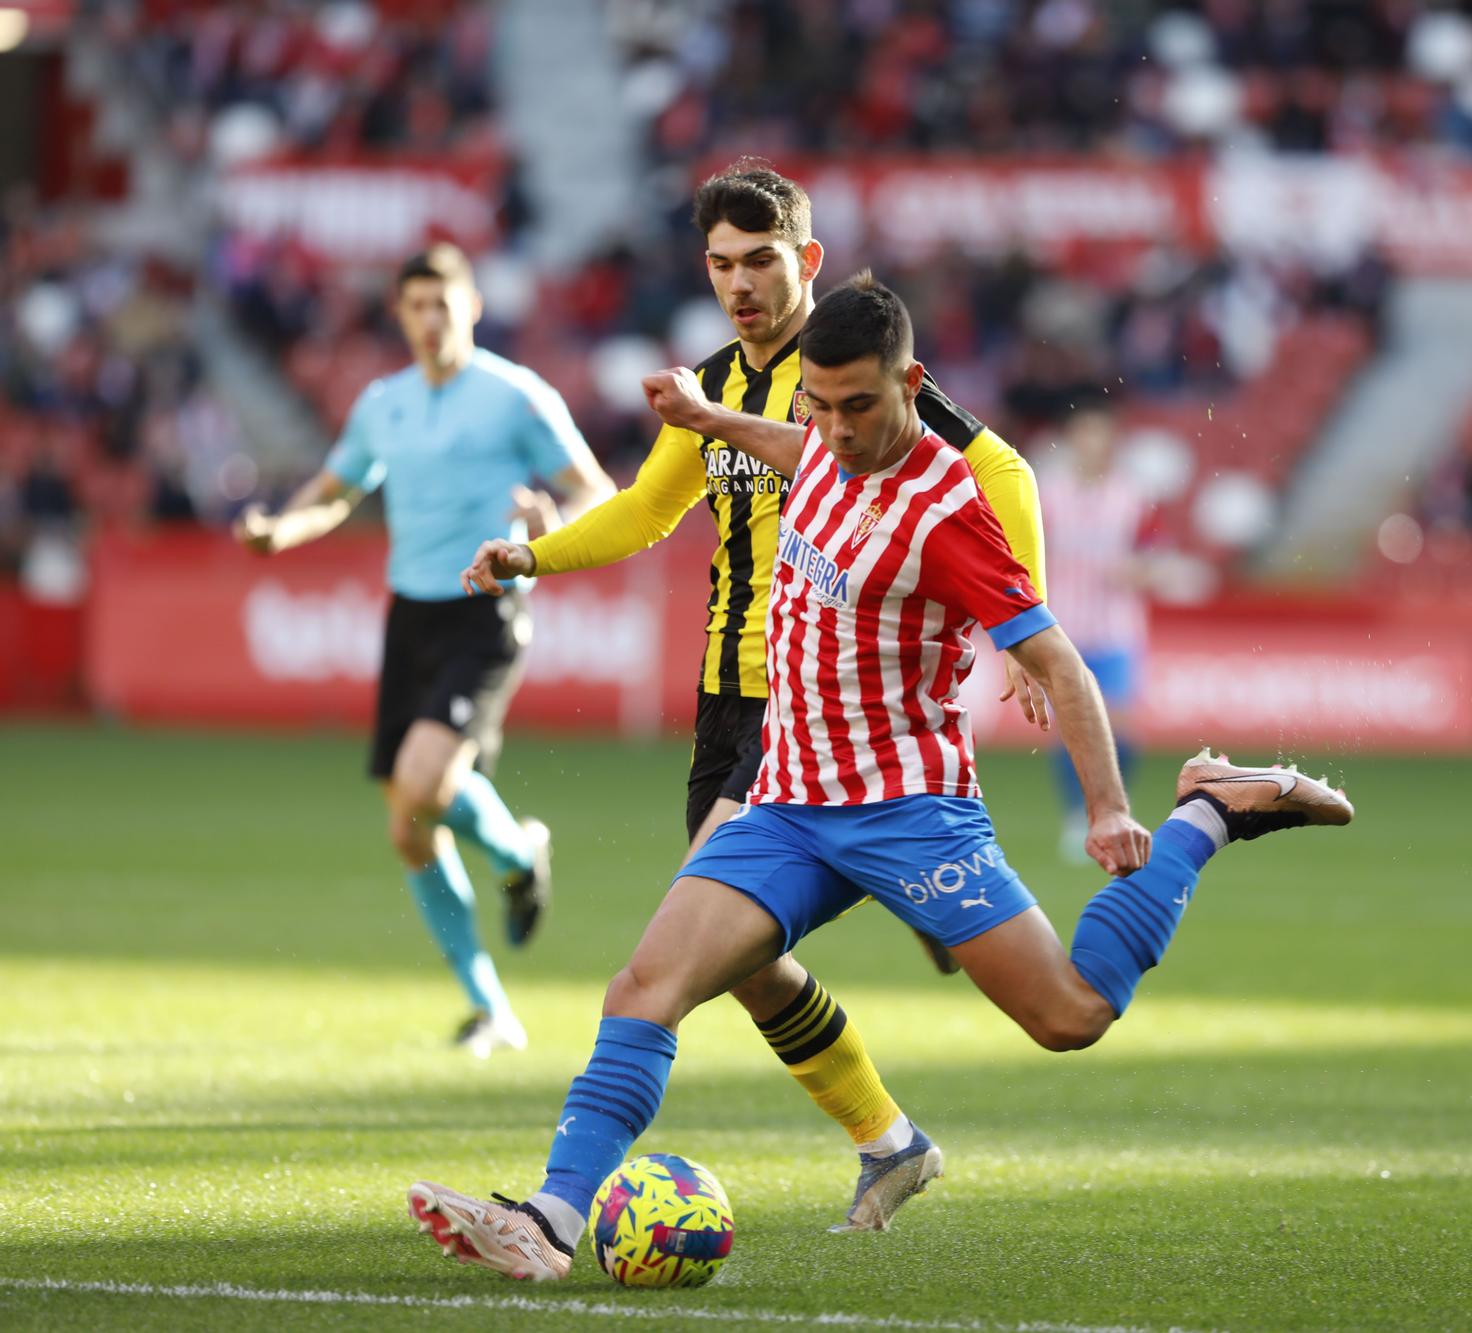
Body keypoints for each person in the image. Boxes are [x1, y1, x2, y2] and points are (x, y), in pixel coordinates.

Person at [409, 276, 1352, 1281]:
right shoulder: (820, 435)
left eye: (861, 406)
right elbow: (796, 450)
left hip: (910, 811)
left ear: (910, 382)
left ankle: (1206, 811)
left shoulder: (947, 512)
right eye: (821, 404)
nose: (839, 430)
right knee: (645, 986)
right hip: (785, 801)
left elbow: (1059, 663)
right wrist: (706, 417)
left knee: (1070, 1015)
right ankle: (551, 1221)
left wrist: (1112, 808)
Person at [455, 160, 1050, 1230]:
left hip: (816, 710)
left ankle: (554, 1207)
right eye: (720, 264)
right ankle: (890, 1140)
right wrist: (532, 555)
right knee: (744, 964)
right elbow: (643, 513)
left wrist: (1024, 624)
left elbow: (1002, 471)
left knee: (664, 965)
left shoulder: (851, 378)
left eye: (759, 260)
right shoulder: (709, 388)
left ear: (806, 262)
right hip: (727, 703)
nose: (738, 283)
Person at [233, 244, 614, 1058]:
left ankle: (518, 852)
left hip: (488, 606)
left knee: (424, 784)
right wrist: (281, 530)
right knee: (410, 829)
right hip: (412, 616)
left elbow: (596, 489)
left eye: (446, 303)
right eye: (417, 305)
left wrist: (554, 525)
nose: (433, 319)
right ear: (400, 314)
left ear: (471, 307)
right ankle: (492, 1004)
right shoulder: (384, 403)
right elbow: (335, 491)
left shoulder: (514, 396)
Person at [1038, 405, 1157, 861]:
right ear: (1072, 442)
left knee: (1122, 725)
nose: (1091, 446)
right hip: (1063, 628)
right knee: (1069, 728)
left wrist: (1140, 571)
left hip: (1116, 630)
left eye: (1099, 437)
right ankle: (1078, 815)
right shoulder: (1049, 494)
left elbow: (1154, 554)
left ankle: (1116, 808)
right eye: (1083, 436)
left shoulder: (1132, 497)